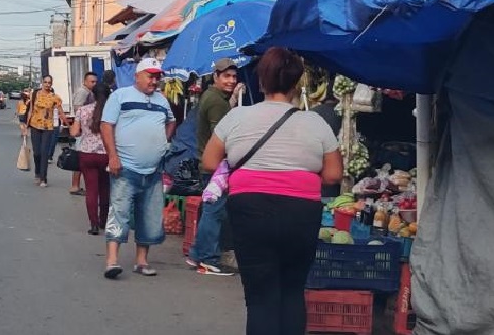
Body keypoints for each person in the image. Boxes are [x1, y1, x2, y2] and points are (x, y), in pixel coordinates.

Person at [202, 47, 343, 335]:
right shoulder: (316, 123)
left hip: (249, 210)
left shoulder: (237, 117)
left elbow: (209, 162)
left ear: (261, 81)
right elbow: (333, 174)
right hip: (301, 213)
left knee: (260, 298)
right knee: (292, 291)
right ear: (297, 83)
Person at [100, 57, 176, 279]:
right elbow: (106, 125)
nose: (154, 81)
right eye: (150, 76)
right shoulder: (120, 96)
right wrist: (112, 156)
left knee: (150, 217)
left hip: (153, 170)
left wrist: (164, 140)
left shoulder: (162, 100)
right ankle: (111, 261)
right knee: (119, 213)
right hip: (125, 168)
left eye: (157, 77)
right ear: (137, 76)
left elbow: (171, 121)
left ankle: (142, 261)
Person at [187, 58, 245, 275]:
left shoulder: (214, 97)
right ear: (216, 77)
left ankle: (196, 254)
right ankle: (209, 259)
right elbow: (220, 136)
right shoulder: (215, 101)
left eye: (234, 76)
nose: (231, 80)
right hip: (216, 168)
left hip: (210, 165)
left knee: (211, 211)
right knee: (214, 212)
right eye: (226, 76)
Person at [70, 83, 111, 235]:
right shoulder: (112, 111)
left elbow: (74, 132)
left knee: (91, 190)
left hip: (87, 154)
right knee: (105, 189)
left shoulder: (82, 110)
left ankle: (93, 225)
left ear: (92, 95)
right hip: (107, 154)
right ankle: (103, 221)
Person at [26, 75, 69, 187]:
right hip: (35, 126)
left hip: (48, 127)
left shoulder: (55, 97)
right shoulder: (35, 94)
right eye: (45, 82)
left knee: (45, 153)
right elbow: (30, 110)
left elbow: (61, 112)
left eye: (49, 82)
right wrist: (26, 127)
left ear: (52, 84)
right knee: (37, 153)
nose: (47, 84)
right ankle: (37, 172)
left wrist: (67, 123)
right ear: (42, 82)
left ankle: (43, 178)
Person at [69, 72, 98, 195]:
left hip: (84, 129)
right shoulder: (83, 92)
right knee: (80, 156)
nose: (94, 84)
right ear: (85, 81)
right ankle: (75, 185)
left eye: (95, 81)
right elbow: (78, 109)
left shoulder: (88, 92)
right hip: (82, 130)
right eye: (92, 82)